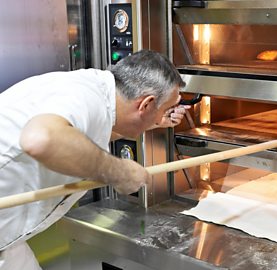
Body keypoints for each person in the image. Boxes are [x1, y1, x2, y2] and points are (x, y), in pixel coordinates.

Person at [0, 50, 190, 269]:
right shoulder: (85, 96)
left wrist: (153, 121)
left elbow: (92, 133)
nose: (165, 115)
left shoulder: (96, 90)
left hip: (8, 237)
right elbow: (41, 139)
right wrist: (120, 172)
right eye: (166, 108)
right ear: (145, 104)